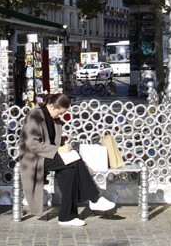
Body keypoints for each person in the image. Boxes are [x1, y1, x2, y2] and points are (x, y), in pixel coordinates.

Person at [19, 92, 115, 227]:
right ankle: (94, 198)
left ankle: (67, 216)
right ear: (51, 106)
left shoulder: (54, 118)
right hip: (34, 159)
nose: (60, 116)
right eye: (59, 113)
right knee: (74, 160)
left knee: (69, 171)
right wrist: (58, 150)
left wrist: (63, 145)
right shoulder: (34, 116)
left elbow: (52, 140)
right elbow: (32, 145)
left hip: (48, 155)